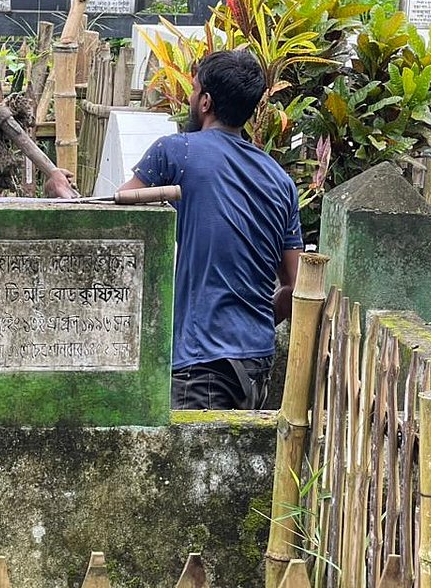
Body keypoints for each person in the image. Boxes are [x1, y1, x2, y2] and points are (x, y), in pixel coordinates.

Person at [45, 50, 303, 410]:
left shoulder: (177, 152)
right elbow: (295, 286)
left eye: (194, 90)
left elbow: (105, 218)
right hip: (257, 364)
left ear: (206, 102)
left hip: (202, 369)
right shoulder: (280, 180)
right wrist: (252, 324)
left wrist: (61, 194)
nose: (191, 98)